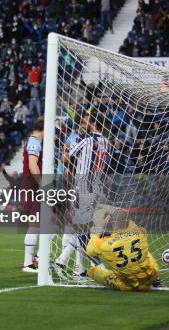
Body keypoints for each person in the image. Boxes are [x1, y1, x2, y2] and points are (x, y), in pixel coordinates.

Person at [54, 111, 110, 278]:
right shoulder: (106, 141)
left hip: (83, 186)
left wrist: (65, 151)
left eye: (88, 121)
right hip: (97, 186)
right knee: (82, 228)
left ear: (94, 123)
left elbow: (66, 159)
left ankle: (85, 263)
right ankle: (73, 265)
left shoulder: (86, 140)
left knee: (81, 228)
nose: (86, 124)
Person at [86, 210, 160, 291]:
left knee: (93, 271)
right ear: (128, 222)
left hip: (128, 285)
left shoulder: (104, 244)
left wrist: (97, 230)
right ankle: (157, 279)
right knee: (146, 253)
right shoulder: (140, 231)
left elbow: (89, 252)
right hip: (151, 276)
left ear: (111, 223)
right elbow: (130, 224)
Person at [21, 116, 44, 273]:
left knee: (50, 223)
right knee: (35, 225)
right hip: (33, 186)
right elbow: (32, 164)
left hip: (32, 186)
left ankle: (37, 258)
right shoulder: (34, 141)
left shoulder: (35, 141)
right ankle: (28, 263)